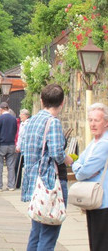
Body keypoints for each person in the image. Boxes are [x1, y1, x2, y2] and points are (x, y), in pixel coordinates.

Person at [20, 83, 73, 251]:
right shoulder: (53, 123)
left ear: (42, 101)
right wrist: (69, 159)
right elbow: (57, 152)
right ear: (62, 102)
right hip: (50, 184)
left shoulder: (31, 121)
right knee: (49, 235)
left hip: (35, 183)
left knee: (36, 233)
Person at [71, 102, 108, 251]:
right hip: (93, 199)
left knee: (101, 244)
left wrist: (80, 169)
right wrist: (80, 168)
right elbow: (78, 163)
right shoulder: (94, 142)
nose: (92, 124)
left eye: (96, 120)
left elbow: (83, 172)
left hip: (103, 200)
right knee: (94, 241)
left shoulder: (104, 144)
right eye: (90, 120)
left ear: (106, 122)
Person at [0, 102, 18, 192]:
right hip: (11, 144)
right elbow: (15, 130)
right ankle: (11, 185)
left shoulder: (0, 118)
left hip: (1, 144)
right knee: (11, 166)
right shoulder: (13, 119)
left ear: (1, 109)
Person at [15, 108, 31, 189]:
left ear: (26, 116)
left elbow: (23, 137)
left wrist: (19, 146)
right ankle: (17, 183)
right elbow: (20, 137)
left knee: (25, 166)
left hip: (25, 148)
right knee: (17, 165)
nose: (20, 116)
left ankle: (25, 183)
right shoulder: (22, 124)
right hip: (21, 148)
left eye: (21, 114)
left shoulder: (27, 124)